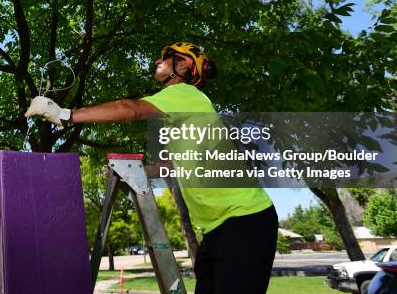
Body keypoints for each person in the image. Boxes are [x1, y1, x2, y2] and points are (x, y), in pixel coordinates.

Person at [25, 42, 278, 294]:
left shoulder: (187, 94)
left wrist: (65, 113)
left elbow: (130, 110)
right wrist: (137, 171)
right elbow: (172, 165)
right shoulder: (177, 115)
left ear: (185, 64)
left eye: (166, 57)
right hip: (219, 228)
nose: (157, 61)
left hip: (245, 221)